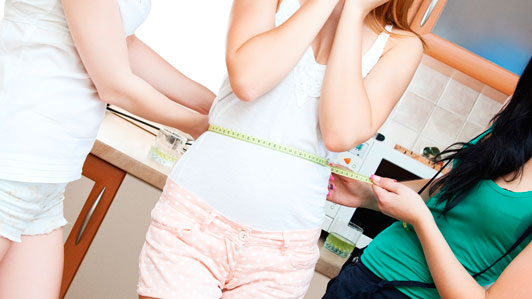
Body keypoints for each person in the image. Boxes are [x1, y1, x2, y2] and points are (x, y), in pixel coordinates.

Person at [137, 0, 424, 298]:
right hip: (193, 222)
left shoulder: (401, 46)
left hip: (282, 255)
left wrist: (353, 12)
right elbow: (248, 82)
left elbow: (339, 133)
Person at [0, 0, 215, 298]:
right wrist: (201, 126)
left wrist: (215, 107)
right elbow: (114, 83)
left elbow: (123, 44)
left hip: (45, 182)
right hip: (12, 161)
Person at [324, 57, 532, 298]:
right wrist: (368, 194)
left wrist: (422, 220)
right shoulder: (516, 126)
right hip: (362, 272)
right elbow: (448, 192)